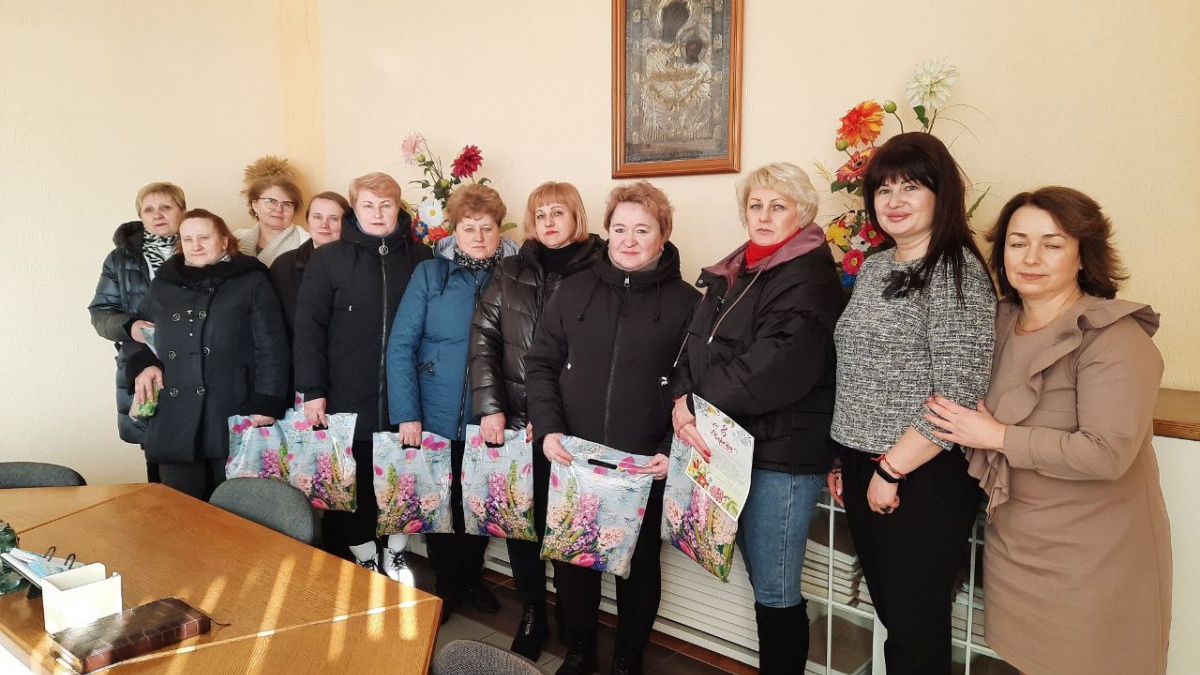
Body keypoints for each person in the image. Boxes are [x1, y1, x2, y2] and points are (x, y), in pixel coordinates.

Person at [923, 186, 1172, 675]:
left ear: (1082, 255)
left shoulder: (1113, 337)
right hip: (1014, 544)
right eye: (1017, 243)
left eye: (1052, 244)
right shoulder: (997, 321)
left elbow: (1106, 454)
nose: (1031, 258)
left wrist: (996, 437)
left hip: (1094, 558)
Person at [829, 132, 996, 674]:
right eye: (884, 189)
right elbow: (857, 367)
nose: (894, 200)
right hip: (865, 462)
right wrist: (846, 459)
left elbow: (957, 393)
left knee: (915, 630)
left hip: (920, 474)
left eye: (911, 187)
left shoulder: (956, 271)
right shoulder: (877, 266)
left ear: (941, 194)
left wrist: (891, 469)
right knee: (894, 615)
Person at [669, 163, 844, 673]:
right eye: (755, 205)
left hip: (782, 455)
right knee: (760, 579)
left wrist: (693, 403)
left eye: (778, 206)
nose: (764, 216)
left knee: (775, 588)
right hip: (732, 444)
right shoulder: (739, 268)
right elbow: (694, 344)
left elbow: (776, 366)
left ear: (802, 214)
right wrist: (680, 397)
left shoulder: (808, 276)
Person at [525, 182, 699, 675]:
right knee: (574, 561)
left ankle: (627, 657)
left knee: (638, 567)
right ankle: (580, 650)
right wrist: (549, 429)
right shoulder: (573, 291)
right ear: (607, 232)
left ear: (662, 236)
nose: (628, 239)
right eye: (619, 228)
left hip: (644, 461)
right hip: (574, 456)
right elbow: (541, 364)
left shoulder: (689, 303)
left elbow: (694, 387)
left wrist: (670, 447)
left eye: (642, 230)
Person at [469, 181, 605, 660]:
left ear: (577, 217)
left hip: (574, 426)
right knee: (522, 523)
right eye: (540, 214)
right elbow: (483, 340)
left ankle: (574, 616)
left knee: (568, 525)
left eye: (558, 213)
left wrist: (554, 417)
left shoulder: (602, 269)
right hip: (514, 422)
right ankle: (532, 610)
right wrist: (492, 407)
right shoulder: (510, 270)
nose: (548, 222)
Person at [387, 184, 518, 624]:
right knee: (438, 499)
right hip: (434, 409)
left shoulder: (514, 275)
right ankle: (446, 582)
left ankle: (471, 579)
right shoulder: (430, 274)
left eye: (487, 228)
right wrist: (407, 413)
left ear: (499, 230)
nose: (478, 237)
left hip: (491, 411)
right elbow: (401, 345)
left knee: (479, 499)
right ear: (454, 231)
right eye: (468, 228)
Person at [293, 172, 432, 578]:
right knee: (352, 487)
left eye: (386, 205)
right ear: (354, 209)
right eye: (368, 205)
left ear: (398, 208)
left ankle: (396, 553)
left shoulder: (422, 258)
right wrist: (313, 390)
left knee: (402, 482)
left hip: (408, 399)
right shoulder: (328, 259)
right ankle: (365, 557)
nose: (377, 213)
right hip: (346, 396)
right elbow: (309, 329)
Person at [127, 209, 290, 500]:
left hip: (232, 407)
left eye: (204, 237)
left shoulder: (251, 280)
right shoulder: (164, 283)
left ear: (225, 241)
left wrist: (267, 400)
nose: (196, 245)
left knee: (237, 509)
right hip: (174, 415)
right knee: (178, 509)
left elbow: (272, 345)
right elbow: (140, 333)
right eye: (188, 239)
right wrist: (144, 364)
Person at [88, 182, 187, 482]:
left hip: (196, 363)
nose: (158, 215)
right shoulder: (120, 259)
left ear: (182, 211)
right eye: (149, 209)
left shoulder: (201, 246)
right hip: (143, 363)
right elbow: (100, 312)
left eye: (166, 207)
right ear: (141, 217)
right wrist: (129, 327)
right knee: (158, 462)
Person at [269, 190, 351, 336]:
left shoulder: (359, 265)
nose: (324, 225)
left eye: (333, 219)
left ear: (346, 223)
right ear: (308, 220)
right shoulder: (283, 266)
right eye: (317, 217)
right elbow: (273, 324)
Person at [235, 158, 310, 266]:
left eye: (286, 204)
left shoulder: (307, 243)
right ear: (255, 205)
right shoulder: (237, 239)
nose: (279, 209)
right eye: (271, 202)